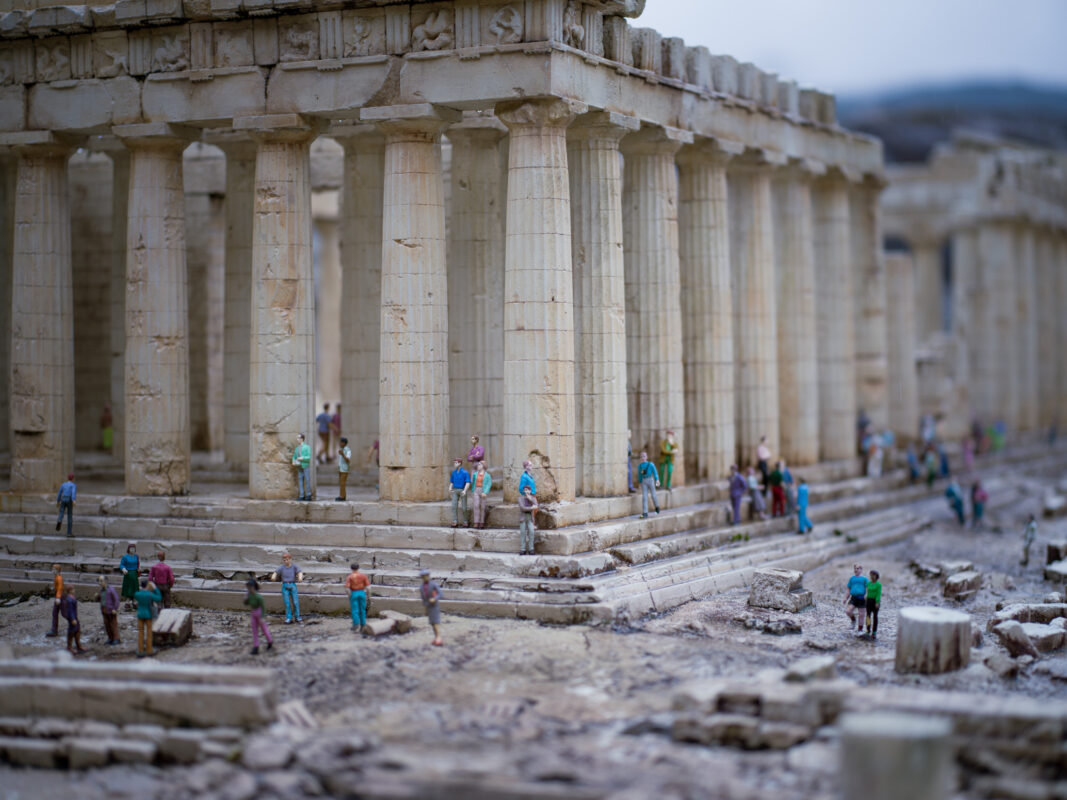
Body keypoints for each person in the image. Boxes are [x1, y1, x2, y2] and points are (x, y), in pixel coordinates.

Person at [271, 553, 304, 624]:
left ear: (290, 559)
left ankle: (297, 617)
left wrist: (300, 577)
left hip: (292, 585)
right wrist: (274, 576)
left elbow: (299, 572)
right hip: (285, 585)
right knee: (287, 603)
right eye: (284, 560)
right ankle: (289, 617)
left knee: (295, 602)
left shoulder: (294, 567)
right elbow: (276, 572)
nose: (286, 561)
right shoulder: (281, 567)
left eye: (287, 559)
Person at [133, 578, 162, 657]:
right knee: (149, 632)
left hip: (140, 615)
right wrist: (155, 588)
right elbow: (159, 598)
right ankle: (149, 649)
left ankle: (140, 649)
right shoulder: (150, 594)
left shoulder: (137, 594)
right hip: (148, 615)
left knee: (141, 632)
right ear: (147, 586)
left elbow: (135, 593)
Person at [244, 579, 273, 655]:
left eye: (250, 587)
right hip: (253, 613)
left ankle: (270, 641)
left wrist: (262, 617)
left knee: (264, 629)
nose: (249, 589)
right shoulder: (250, 595)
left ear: (254, 587)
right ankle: (256, 646)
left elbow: (263, 607)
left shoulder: (258, 597)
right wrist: (246, 598)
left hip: (259, 613)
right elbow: (246, 603)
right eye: (248, 587)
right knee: (254, 630)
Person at [419, 569, 443, 646]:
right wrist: (425, 609)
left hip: (434, 606)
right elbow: (423, 598)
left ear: (428, 576)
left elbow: (440, 594)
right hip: (428, 607)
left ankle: (439, 637)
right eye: (423, 576)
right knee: (432, 623)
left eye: (426, 576)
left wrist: (434, 599)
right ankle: (436, 637)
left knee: (436, 622)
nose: (425, 578)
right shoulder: (421, 587)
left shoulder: (433, 584)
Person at [62, 586, 86, 655]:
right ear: (70, 591)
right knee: (71, 632)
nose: (74, 590)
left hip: (75, 617)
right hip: (72, 618)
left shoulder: (72, 597)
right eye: (73, 589)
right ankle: (69, 647)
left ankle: (78, 645)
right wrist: (72, 619)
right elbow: (70, 610)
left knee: (77, 630)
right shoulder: (69, 599)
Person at [346, 563, 370, 630]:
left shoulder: (350, 577)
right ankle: (363, 624)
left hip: (354, 592)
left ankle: (356, 624)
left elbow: (347, 588)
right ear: (358, 568)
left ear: (351, 568)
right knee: (362, 609)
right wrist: (368, 595)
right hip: (362, 592)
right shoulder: (363, 576)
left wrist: (349, 595)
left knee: (354, 609)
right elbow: (368, 587)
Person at [844, 564, 868, 632]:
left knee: (861, 614)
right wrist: (845, 598)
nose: (856, 570)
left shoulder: (864, 579)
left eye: (858, 568)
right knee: (848, 611)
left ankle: (860, 629)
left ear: (861, 569)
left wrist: (867, 595)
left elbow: (868, 588)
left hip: (862, 599)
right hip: (853, 598)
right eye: (855, 568)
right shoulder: (852, 579)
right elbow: (848, 589)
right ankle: (853, 621)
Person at [448, 458, 471, 528]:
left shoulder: (465, 473)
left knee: (464, 507)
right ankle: (455, 521)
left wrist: (465, 490)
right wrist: (450, 488)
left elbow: (468, 482)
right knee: (454, 506)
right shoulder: (454, 473)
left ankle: (465, 521)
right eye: (454, 463)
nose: (454, 464)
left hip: (462, 490)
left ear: (460, 463)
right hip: (455, 490)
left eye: (456, 463)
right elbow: (452, 482)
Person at [637, 451, 660, 519]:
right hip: (644, 481)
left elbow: (655, 472)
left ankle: (657, 507)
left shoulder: (651, 464)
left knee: (653, 495)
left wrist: (657, 479)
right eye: (641, 457)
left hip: (650, 480)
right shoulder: (640, 466)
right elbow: (640, 475)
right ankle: (645, 512)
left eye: (644, 456)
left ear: (646, 457)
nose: (643, 458)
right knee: (644, 497)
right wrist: (640, 482)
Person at [98, 576, 121, 645]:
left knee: (113, 625)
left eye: (101, 581)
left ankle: (116, 638)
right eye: (99, 581)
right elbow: (101, 599)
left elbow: (116, 600)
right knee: (107, 625)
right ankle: (110, 638)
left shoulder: (111, 590)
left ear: (106, 581)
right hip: (104, 609)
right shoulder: (101, 591)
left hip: (111, 610)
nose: (100, 583)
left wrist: (115, 608)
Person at [470, 461, 492, 529]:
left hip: (483, 490)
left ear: (483, 466)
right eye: (478, 465)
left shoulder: (487, 475)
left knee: (482, 507)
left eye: (479, 465)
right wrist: (473, 490)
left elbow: (489, 484)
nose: (478, 466)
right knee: (476, 506)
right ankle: (476, 521)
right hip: (476, 490)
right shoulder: (475, 474)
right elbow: (473, 482)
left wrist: (485, 492)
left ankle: (482, 522)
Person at [518, 486, 538, 555]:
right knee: (523, 533)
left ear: (530, 491)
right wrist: (531, 508)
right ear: (523, 491)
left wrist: (530, 499)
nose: (526, 491)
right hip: (523, 518)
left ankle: (531, 548)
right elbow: (522, 508)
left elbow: (536, 505)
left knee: (531, 532)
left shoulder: (533, 498)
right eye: (525, 490)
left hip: (530, 518)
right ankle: (523, 549)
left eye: (528, 490)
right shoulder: (520, 498)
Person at [292, 433, 312, 501]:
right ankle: (301, 495)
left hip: (305, 465)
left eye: (298, 438)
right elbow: (294, 456)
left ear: (302, 439)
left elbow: (308, 457)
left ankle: (308, 494)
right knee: (300, 480)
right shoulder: (297, 448)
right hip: (299, 465)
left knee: (307, 479)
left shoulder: (307, 447)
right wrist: (293, 461)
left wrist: (302, 458)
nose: (297, 439)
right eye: (297, 438)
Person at [46, 563, 64, 637]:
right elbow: (58, 587)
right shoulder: (57, 577)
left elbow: (60, 588)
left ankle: (54, 630)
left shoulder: (59, 578)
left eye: (53, 569)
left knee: (63, 613)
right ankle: (54, 630)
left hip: (59, 597)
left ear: (57, 570)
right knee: (55, 613)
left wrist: (58, 598)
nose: (52, 571)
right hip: (59, 596)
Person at [120, 544, 140, 611]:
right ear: (128, 549)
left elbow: (138, 564)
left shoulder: (136, 556)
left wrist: (138, 569)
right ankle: (128, 601)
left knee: (135, 587)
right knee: (129, 588)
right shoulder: (125, 557)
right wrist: (124, 569)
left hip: (134, 574)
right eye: (131, 549)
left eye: (133, 549)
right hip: (128, 574)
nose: (132, 550)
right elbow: (122, 565)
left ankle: (134, 601)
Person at [864, 569, 882, 639]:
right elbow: (867, 591)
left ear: (876, 576)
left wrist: (877, 602)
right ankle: (867, 630)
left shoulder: (878, 585)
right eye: (871, 575)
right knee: (868, 616)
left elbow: (878, 594)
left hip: (875, 601)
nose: (872, 576)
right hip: (868, 600)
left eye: (873, 575)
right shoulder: (868, 583)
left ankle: (874, 632)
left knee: (875, 616)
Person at [337, 437, 352, 501]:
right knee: (341, 483)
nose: (340, 443)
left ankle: (342, 496)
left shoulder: (348, 450)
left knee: (343, 483)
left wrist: (343, 454)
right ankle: (342, 495)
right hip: (341, 469)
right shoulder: (342, 449)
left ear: (344, 443)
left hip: (344, 469)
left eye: (341, 442)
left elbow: (348, 460)